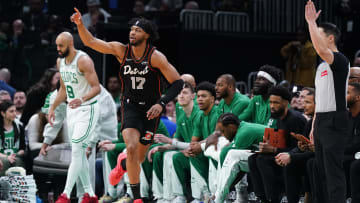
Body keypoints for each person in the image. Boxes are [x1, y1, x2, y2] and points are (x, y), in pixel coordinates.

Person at [71, 9, 183, 203]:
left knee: (137, 158)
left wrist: (161, 103)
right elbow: (91, 42)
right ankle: (137, 198)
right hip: (130, 106)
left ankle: (121, 165)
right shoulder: (120, 50)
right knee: (131, 148)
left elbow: (178, 83)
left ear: (147, 35)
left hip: (151, 110)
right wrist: (80, 25)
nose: (132, 33)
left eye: (137, 30)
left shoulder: (155, 57)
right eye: (131, 29)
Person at [305, 1, 350, 202]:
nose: (313, 39)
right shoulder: (321, 66)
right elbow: (321, 98)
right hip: (322, 119)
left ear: (330, 38)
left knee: (333, 173)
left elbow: (322, 50)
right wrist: (315, 124)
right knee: (321, 171)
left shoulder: (340, 60)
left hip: (335, 120)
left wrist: (310, 23)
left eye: (318, 35)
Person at [49, 32, 101, 203]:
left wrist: (82, 98)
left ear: (70, 43)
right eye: (57, 45)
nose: (58, 49)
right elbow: (63, 89)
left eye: (61, 46)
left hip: (87, 109)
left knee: (77, 149)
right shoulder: (60, 61)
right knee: (78, 152)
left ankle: (65, 195)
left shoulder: (83, 60)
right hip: (72, 110)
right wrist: (52, 108)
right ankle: (91, 195)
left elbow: (96, 88)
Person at [248, 86, 306, 202]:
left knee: (262, 160)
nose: (272, 106)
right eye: (270, 102)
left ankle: (274, 198)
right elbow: (282, 144)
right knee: (253, 158)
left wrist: (274, 150)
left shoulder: (295, 119)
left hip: (297, 157)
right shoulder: (279, 118)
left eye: (276, 103)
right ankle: (262, 197)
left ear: (286, 103)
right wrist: (268, 145)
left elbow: (299, 148)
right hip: (285, 153)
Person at [0, 100, 25, 176]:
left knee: (17, 161)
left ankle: (18, 186)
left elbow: (23, 148)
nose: (15, 114)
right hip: (2, 157)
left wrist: (15, 155)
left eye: (15, 111)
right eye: (11, 111)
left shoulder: (19, 126)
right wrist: (7, 157)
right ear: (3, 113)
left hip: (15, 156)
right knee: (5, 161)